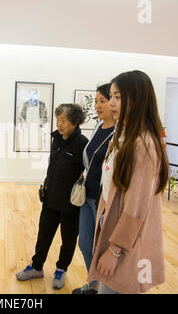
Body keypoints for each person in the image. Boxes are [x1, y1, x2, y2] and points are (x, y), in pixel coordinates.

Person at [87, 70, 169, 294]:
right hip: (113, 227)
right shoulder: (122, 136)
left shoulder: (142, 144)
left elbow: (136, 207)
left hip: (126, 243)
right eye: (111, 96)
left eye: (118, 97)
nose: (111, 102)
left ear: (138, 99)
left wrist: (114, 250)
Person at [16, 104, 88, 289]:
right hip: (50, 199)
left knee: (68, 239)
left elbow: (88, 171)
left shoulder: (82, 143)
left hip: (70, 204)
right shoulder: (56, 138)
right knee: (43, 235)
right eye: (58, 120)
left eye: (63, 120)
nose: (59, 124)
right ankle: (36, 267)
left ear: (74, 122)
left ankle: (61, 270)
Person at [72, 83, 115, 294]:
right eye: (96, 101)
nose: (97, 105)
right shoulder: (99, 126)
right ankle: (94, 283)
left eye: (103, 101)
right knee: (85, 244)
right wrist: (84, 173)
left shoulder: (120, 133)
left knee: (101, 250)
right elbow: (91, 158)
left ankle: (102, 288)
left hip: (102, 200)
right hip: (86, 196)